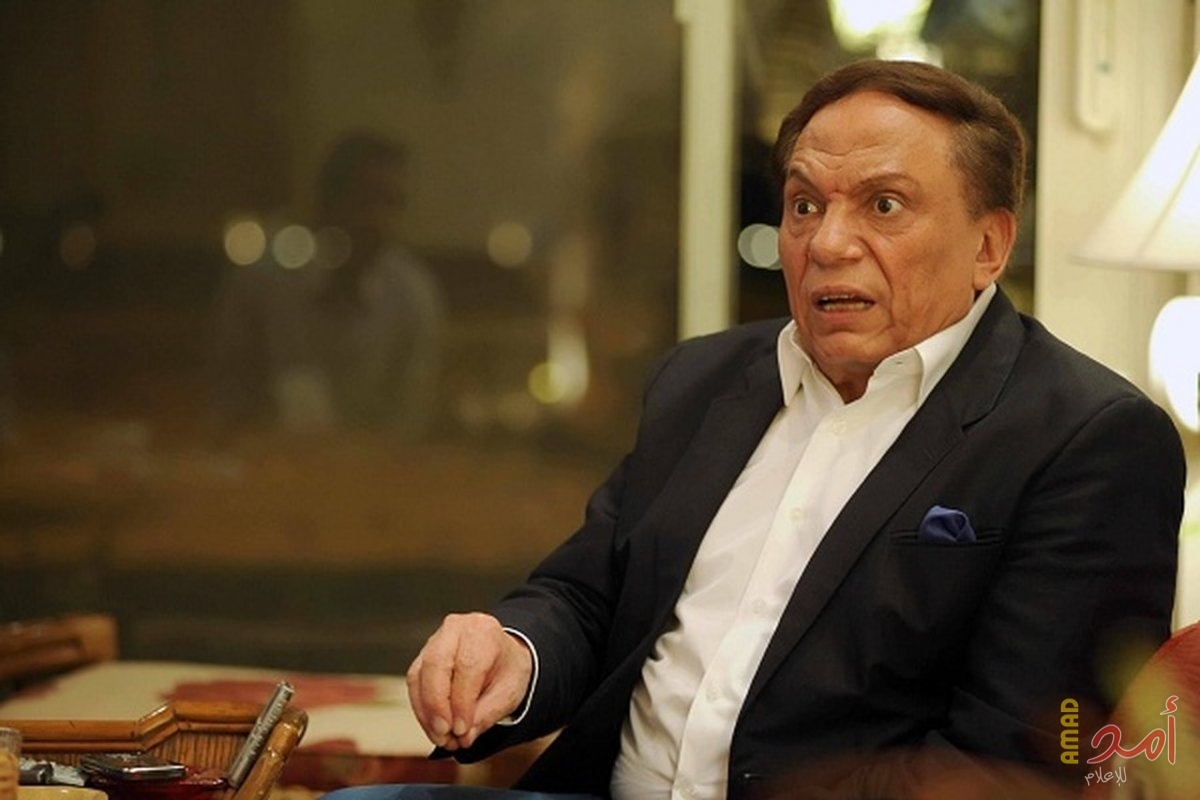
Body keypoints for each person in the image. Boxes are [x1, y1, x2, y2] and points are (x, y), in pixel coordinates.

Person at [377, 60, 1184, 798]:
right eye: (805, 205)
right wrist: (513, 651)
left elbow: (1019, 762)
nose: (826, 243)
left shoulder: (1089, 440)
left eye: (884, 205)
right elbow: (588, 595)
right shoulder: (703, 380)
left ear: (989, 244)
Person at [210, 132, 445, 441]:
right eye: (365, 202)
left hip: (371, 465)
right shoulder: (264, 282)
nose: (379, 222)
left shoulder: (412, 295)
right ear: (327, 205)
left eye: (393, 204)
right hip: (265, 459)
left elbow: (408, 420)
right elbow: (228, 402)